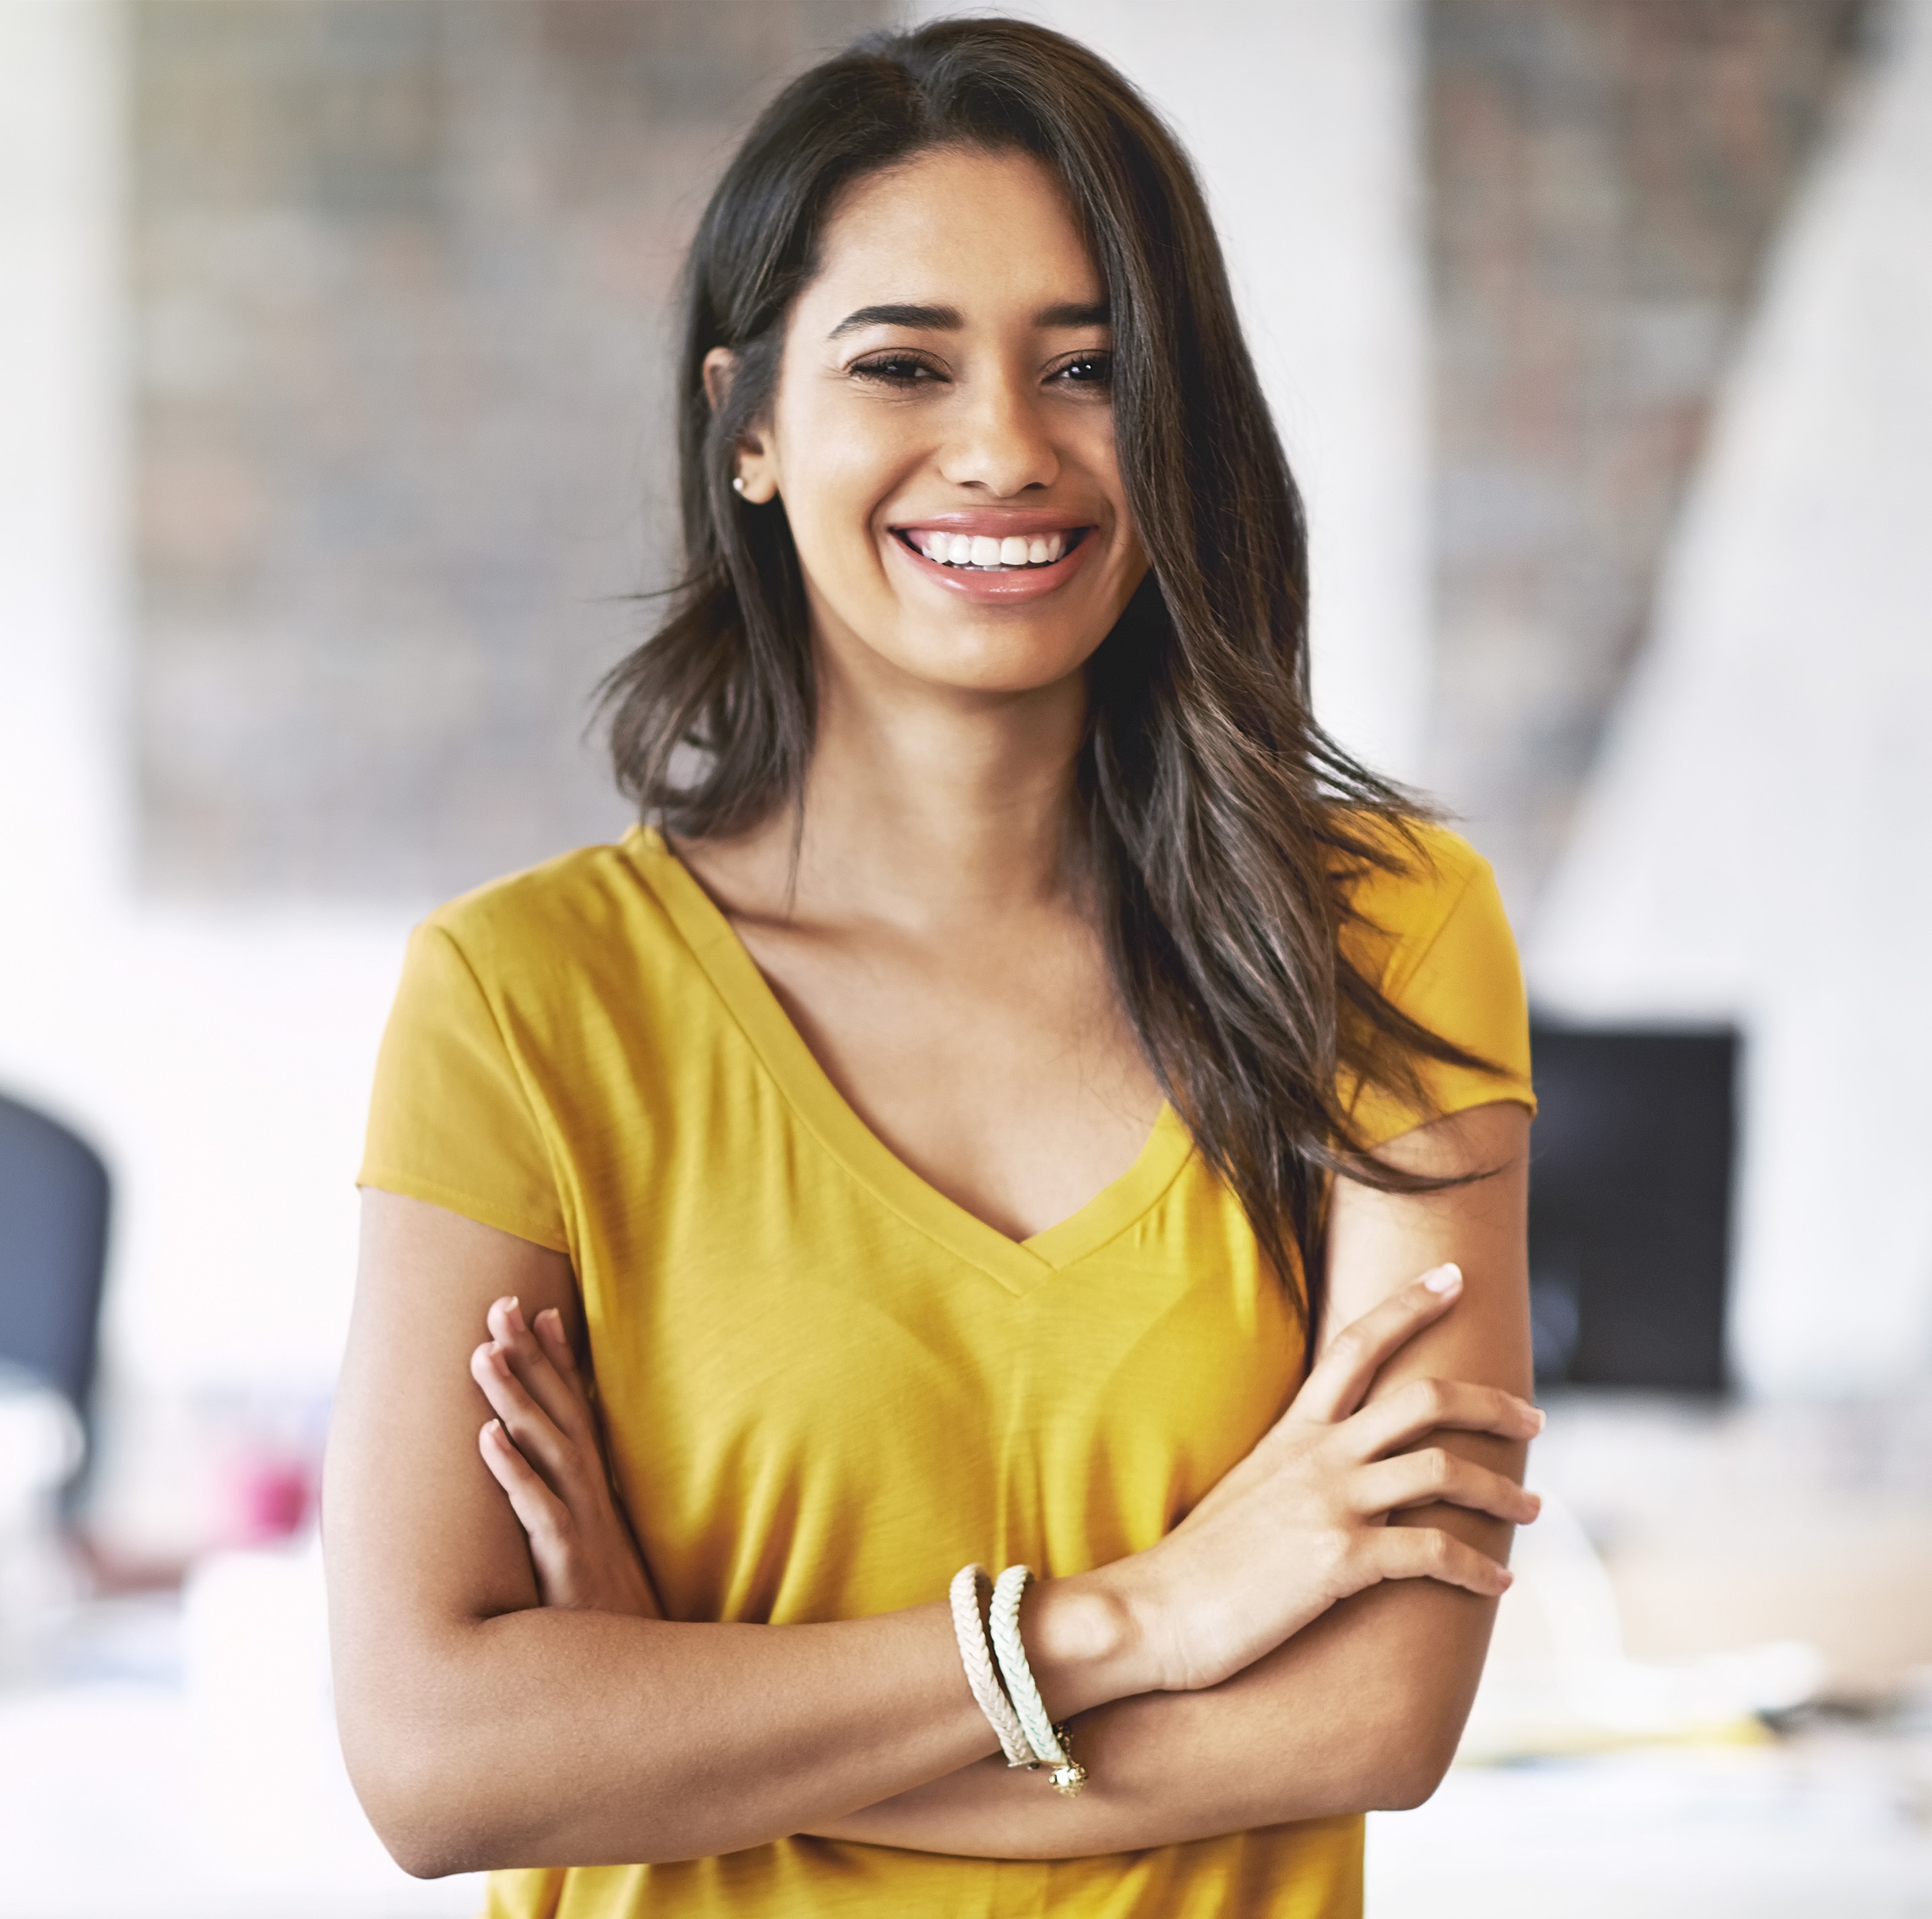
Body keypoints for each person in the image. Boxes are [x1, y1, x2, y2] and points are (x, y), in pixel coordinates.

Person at [322, 19, 1540, 1918]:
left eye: (1088, 370)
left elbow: (1371, 1714)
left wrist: (678, 1729)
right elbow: (436, 1762)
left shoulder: (1379, 935)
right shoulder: (525, 999)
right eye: (902, 363)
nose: (1002, 449)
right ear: (746, 424)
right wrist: (1144, 1617)